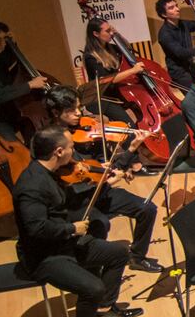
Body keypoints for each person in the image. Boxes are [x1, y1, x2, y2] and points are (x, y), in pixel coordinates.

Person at [13, 126, 142, 317]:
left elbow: (68, 200)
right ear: (58, 151)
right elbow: (36, 228)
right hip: (44, 257)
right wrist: (71, 228)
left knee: (120, 253)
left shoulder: (52, 172)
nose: (74, 153)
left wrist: (104, 182)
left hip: (65, 244)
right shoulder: (31, 186)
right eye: (71, 147)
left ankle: (104, 309)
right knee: (93, 287)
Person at [41, 86, 161, 273]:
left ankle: (137, 257)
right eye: (71, 110)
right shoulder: (51, 141)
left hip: (101, 190)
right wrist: (110, 177)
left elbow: (103, 166)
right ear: (56, 113)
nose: (78, 113)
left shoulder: (87, 130)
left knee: (147, 208)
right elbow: (77, 180)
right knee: (100, 224)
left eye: (79, 107)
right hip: (78, 200)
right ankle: (94, 270)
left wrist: (129, 151)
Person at [80, 18, 139, 126]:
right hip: (102, 99)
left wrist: (117, 35)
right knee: (129, 126)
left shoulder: (111, 48)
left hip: (116, 94)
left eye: (111, 29)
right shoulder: (90, 56)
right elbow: (106, 80)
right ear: (96, 34)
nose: (111, 33)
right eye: (107, 31)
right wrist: (133, 70)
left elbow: (128, 50)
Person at [155, 0, 195, 92]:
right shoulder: (164, 34)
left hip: (191, 66)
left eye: (176, 6)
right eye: (171, 8)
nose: (177, 9)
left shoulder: (182, 24)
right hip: (180, 72)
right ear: (164, 14)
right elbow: (181, 53)